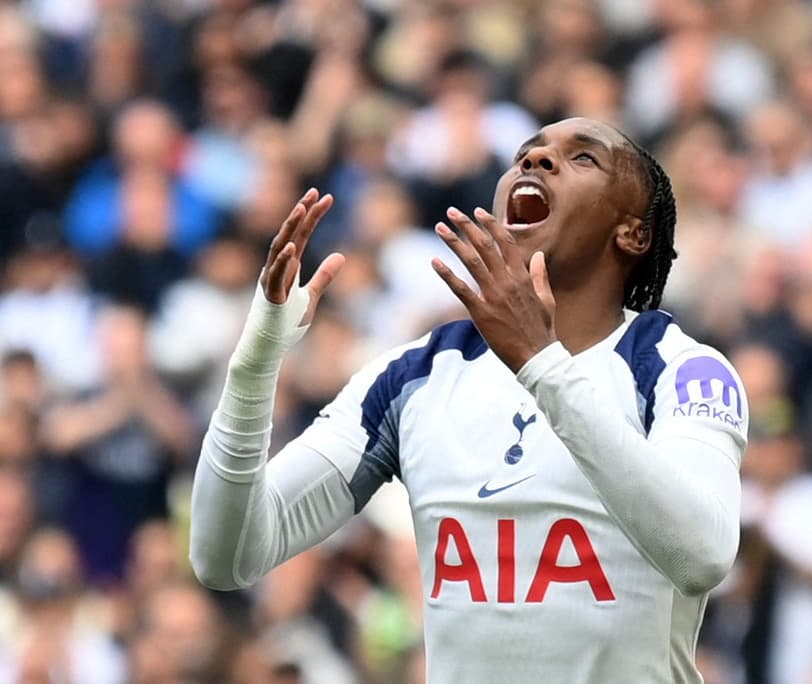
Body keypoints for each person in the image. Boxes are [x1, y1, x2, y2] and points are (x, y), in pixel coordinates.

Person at [190, 117, 748, 682]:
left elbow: (701, 555)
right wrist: (255, 361)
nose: (536, 161)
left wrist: (541, 364)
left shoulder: (679, 369)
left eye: (583, 157)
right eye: (526, 154)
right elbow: (226, 557)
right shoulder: (412, 377)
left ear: (633, 233)